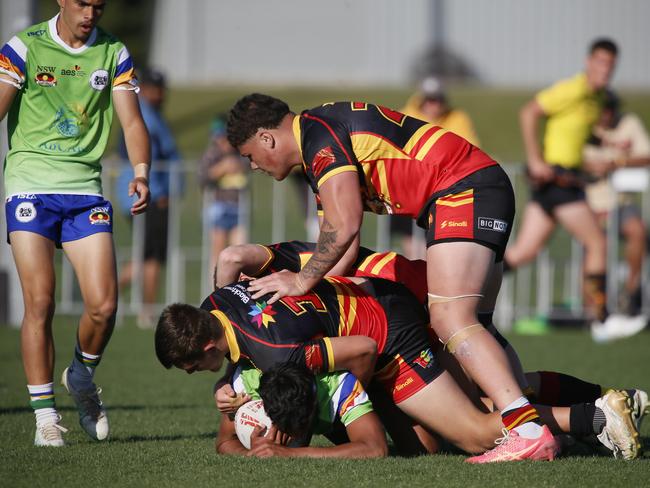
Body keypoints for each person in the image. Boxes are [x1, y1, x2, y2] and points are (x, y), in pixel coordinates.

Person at [225, 93, 549, 462]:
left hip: (461, 189)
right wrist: (310, 299)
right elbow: (341, 249)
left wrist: (299, 282)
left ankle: (526, 430)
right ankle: (549, 424)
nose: (252, 166)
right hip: (473, 186)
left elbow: (345, 225)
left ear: (267, 138)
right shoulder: (319, 139)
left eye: (249, 155)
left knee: (450, 318)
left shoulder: (319, 137)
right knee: (477, 328)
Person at [155, 277, 644, 461]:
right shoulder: (215, 303)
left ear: (205, 343)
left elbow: (362, 352)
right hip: (375, 306)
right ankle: (596, 395)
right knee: (434, 438)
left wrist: (350, 407)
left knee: (472, 432)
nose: (190, 374)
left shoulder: (277, 353)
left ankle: (596, 415)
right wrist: (225, 381)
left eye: (190, 364)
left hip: (389, 336)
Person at [215, 239, 649, 431]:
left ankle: (596, 415)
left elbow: (233, 255)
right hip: (427, 289)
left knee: (480, 415)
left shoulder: (294, 271)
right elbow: (235, 256)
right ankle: (609, 398)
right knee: (506, 388)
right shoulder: (291, 260)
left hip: (415, 304)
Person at [0, 0, 150, 447]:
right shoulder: (23, 48)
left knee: (104, 307)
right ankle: (46, 418)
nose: (90, 13)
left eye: (99, 6)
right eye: (82, 3)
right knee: (40, 302)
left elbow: (132, 122)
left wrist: (140, 173)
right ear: (61, 1)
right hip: (29, 185)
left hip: (85, 190)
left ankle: (81, 375)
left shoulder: (113, 53)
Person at [504, 38, 645, 337]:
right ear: (588, 62)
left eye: (611, 65)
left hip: (561, 181)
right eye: (601, 62)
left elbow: (579, 132)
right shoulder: (572, 89)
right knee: (597, 243)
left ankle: (466, 290)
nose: (605, 69)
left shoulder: (598, 98)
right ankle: (602, 321)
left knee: (521, 253)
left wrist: (604, 147)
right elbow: (528, 113)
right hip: (557, 180)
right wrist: (534, 158)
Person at [116, 67, 180, 328]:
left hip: (137, 194)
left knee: (147, 254)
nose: (159, 94)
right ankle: (140, 308)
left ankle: (112, 297)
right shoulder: (147, 116)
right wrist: (165, 191)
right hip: (149, 195)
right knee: (149, 256)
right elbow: (156, 153)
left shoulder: (147, 113)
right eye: (155, 88)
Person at [216, 362, 389, 458]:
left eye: (290, 427)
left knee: (412, 447)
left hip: (386, 370)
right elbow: (224, 442)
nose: (284, 434)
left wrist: (288, 453)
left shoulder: (340, 386)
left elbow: (375, 448)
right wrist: (251, 453)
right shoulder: (249, 385)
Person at [392, 76, 481, 259]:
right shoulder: (405, 116)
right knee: (415, 253)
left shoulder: (458, 118)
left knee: (438, 250)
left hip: (442, 193)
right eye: (430, 100)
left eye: (438, 99)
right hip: (409, 191)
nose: (434, 105)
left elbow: (471, 150)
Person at [583, 90, 650, 329]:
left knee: (637, 230)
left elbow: (646, 154)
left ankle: (630, 292)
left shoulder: (629, 122)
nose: (606, 116)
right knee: (594, 249)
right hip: (590, 204)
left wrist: (616, 163)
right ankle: (594, 313)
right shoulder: (582, 125)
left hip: (620, 202)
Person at [198, 116, 249, 275]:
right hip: (218, 207)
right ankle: (215, 288)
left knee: (240, 251)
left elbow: (248, 167)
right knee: (218, 252)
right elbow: (202, 178)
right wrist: (220, 169)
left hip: (239, 207)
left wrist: (237, 166)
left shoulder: (240, 154)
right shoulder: (211, 155)